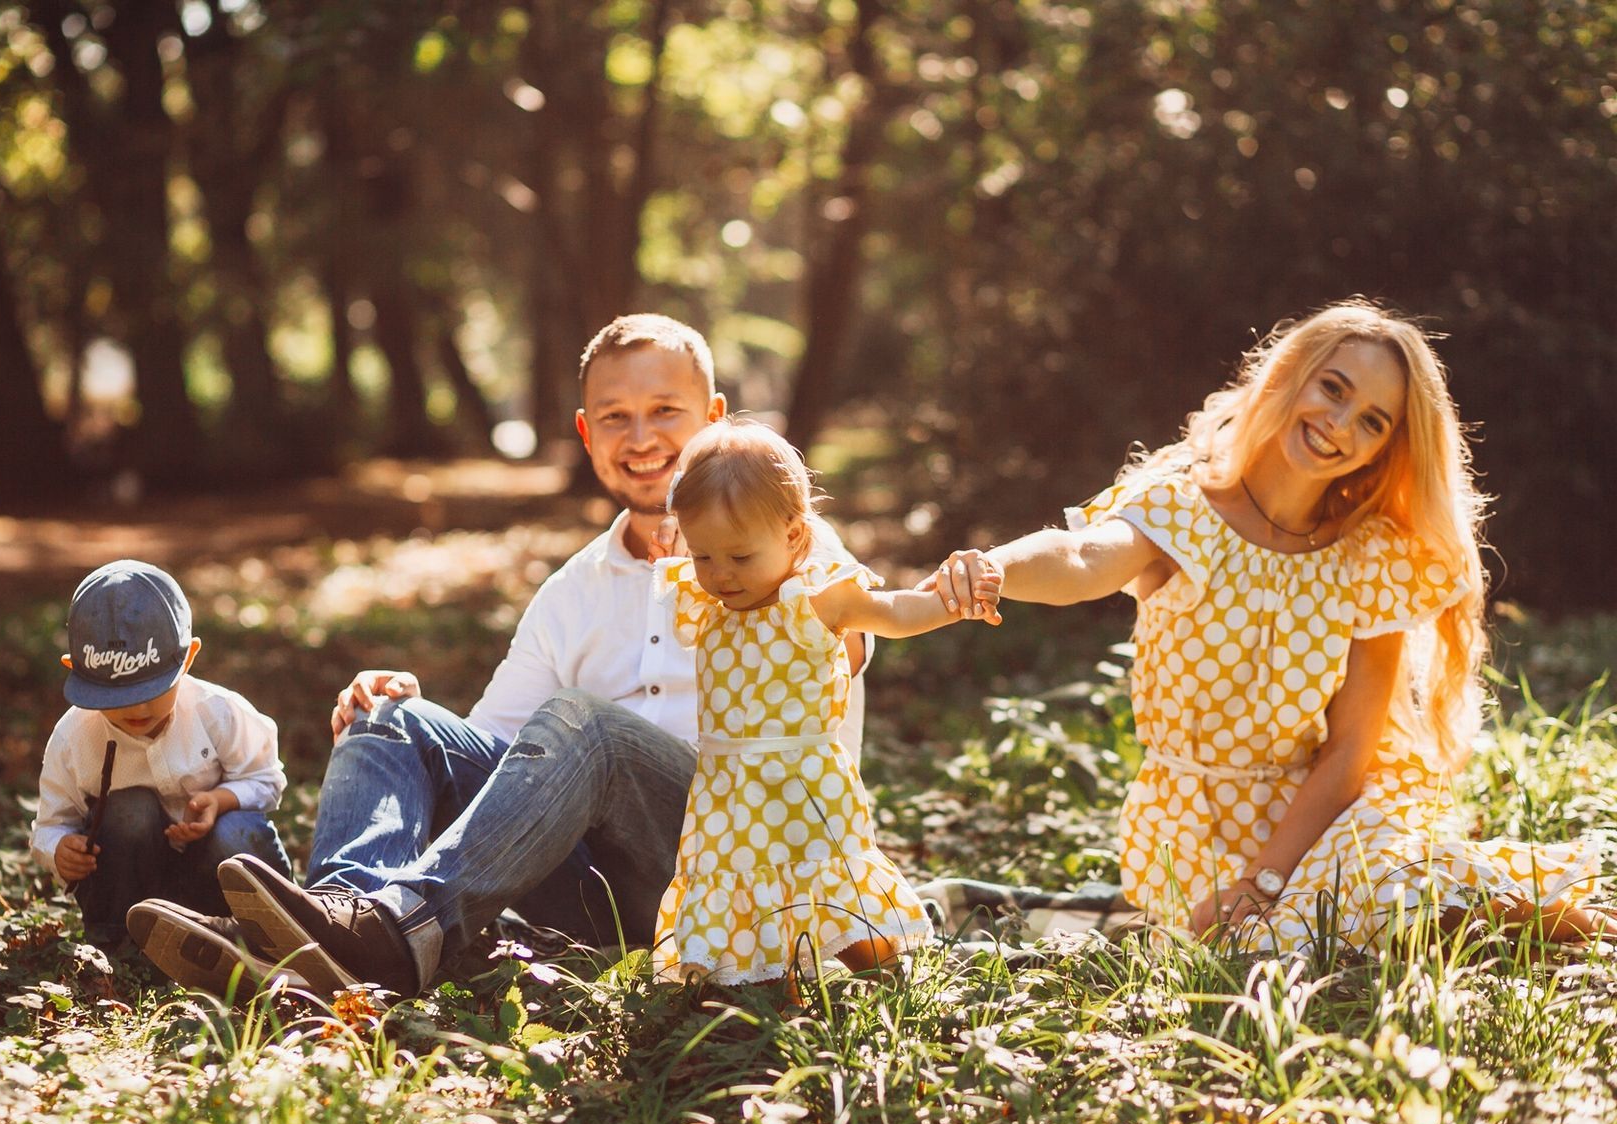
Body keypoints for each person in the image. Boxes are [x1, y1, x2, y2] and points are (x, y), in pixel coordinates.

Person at [137, 315, 901, 999]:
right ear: (585, 434)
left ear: (714, 419)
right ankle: (329, 937)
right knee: (391, 716)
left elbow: (856, 626)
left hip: (740, 879)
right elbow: (506, 772)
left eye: (666, 411)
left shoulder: (794, 551)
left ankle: (392, 939)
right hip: (590, 897)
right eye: (616, 417)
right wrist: (409, 724)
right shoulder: (574, 590)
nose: (642, 438)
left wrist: (719, 548)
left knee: (587, 725)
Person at [932, 300, 1612, 955]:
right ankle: (1521, 916)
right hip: (1190, 831)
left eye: (1373, 421)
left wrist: (1266, 881)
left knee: (1390, 894)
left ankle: (1558, 920)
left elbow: (1349, 751)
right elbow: (1082, 558)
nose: (1340, 424)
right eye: (1334, 389)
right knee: (1295, 936)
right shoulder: (1182, 506)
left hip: (1317, 820)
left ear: (1384, 450)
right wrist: (992, 566)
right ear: (1288, 375)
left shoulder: (1366, 556)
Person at [650, 421, 1000, 984]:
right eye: (704, 557)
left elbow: (897, 611)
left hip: (802, 785)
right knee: (748, 900)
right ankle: (767, 996)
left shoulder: (813, 597)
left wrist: (952, 602)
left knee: (833, 895)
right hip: (726, 794)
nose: (720, 575)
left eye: (739, 557)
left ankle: (896, 976)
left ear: (792, 535)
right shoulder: (705, 602)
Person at [29, 560, 292, 966]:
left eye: (152, 689)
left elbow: (266, 779)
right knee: (128, 810)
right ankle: (122, 945)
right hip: (128, 883)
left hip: (209, 873)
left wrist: (221, 799)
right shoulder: (73, 738)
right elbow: (50, 824)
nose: (137, 706)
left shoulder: (217, 713)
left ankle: (261, 935)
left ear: (187, 660)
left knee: (239, 832)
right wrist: (59, 848)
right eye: (116, 697)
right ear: (76, 671)